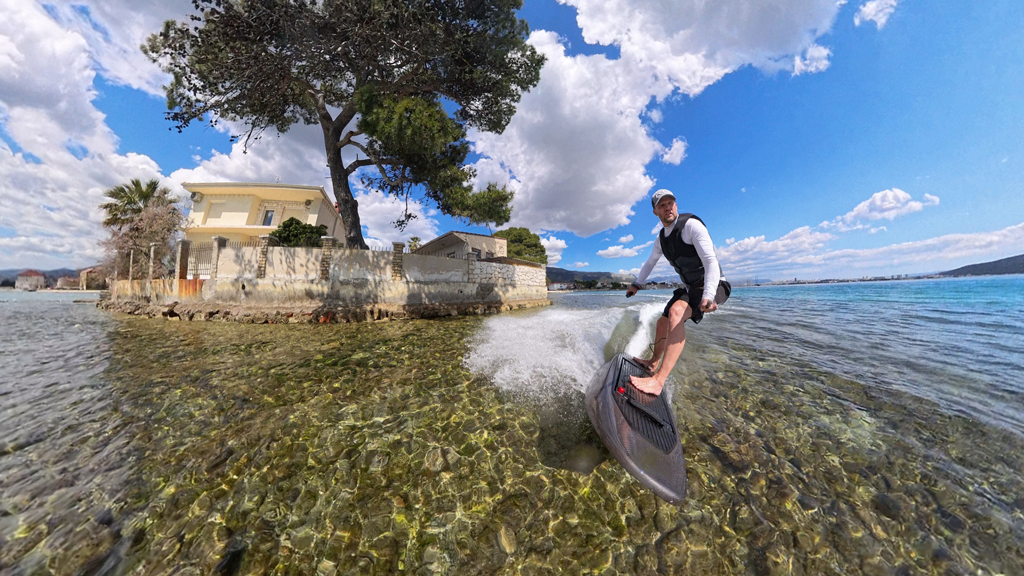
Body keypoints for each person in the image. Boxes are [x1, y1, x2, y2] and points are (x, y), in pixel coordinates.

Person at [625, 189, 726, 396]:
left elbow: (710, 262)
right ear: (655, 212)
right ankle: (653, 364)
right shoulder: (661, 239)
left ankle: (658, 381)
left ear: (676, 206)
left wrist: (709, 295)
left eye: (671, 203)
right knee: (663, 322)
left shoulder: (691, 226)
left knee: (677, 313)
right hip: (690, 287)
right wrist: (637, 284)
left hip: (713, 284)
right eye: (662, 205)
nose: (668, 207)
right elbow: (650, 262)